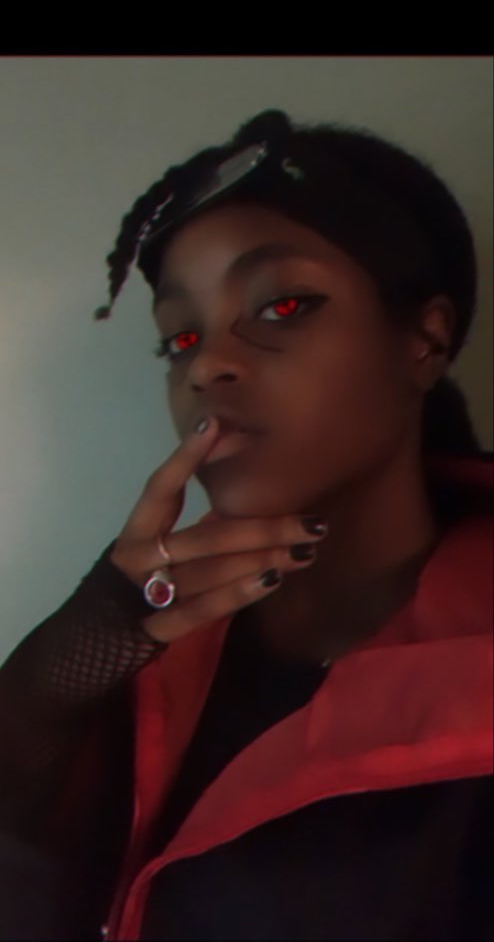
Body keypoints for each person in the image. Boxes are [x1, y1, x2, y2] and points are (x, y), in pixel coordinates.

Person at [0, 109, 492, 941]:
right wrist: (46, 688)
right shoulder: (144, 650)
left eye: (283, 305)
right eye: (179, 337)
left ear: (425, 339)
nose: (207, 365)